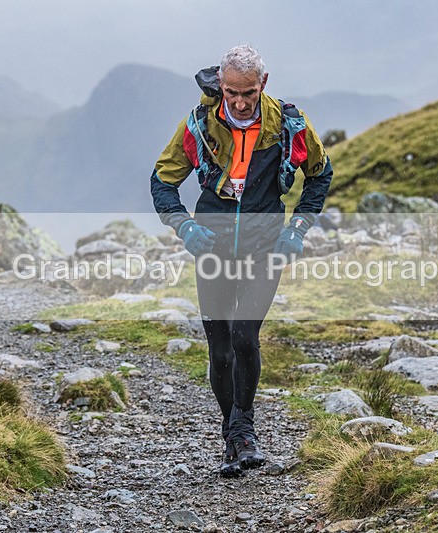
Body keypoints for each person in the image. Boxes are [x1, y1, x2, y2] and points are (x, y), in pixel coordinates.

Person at [149, 45, 333, 478]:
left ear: (262, 85)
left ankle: (244, 428)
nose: (238, 101)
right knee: (219, 348)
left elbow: (320, 175)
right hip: (212, 248)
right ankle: (234, 435)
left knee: (245, 335)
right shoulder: (199, 124)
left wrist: (297, 230)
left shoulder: (288, 125)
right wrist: (185, 228)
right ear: (221, 84)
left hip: (264, 245)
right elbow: (162, 181)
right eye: (231, 91)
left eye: (247, 92)